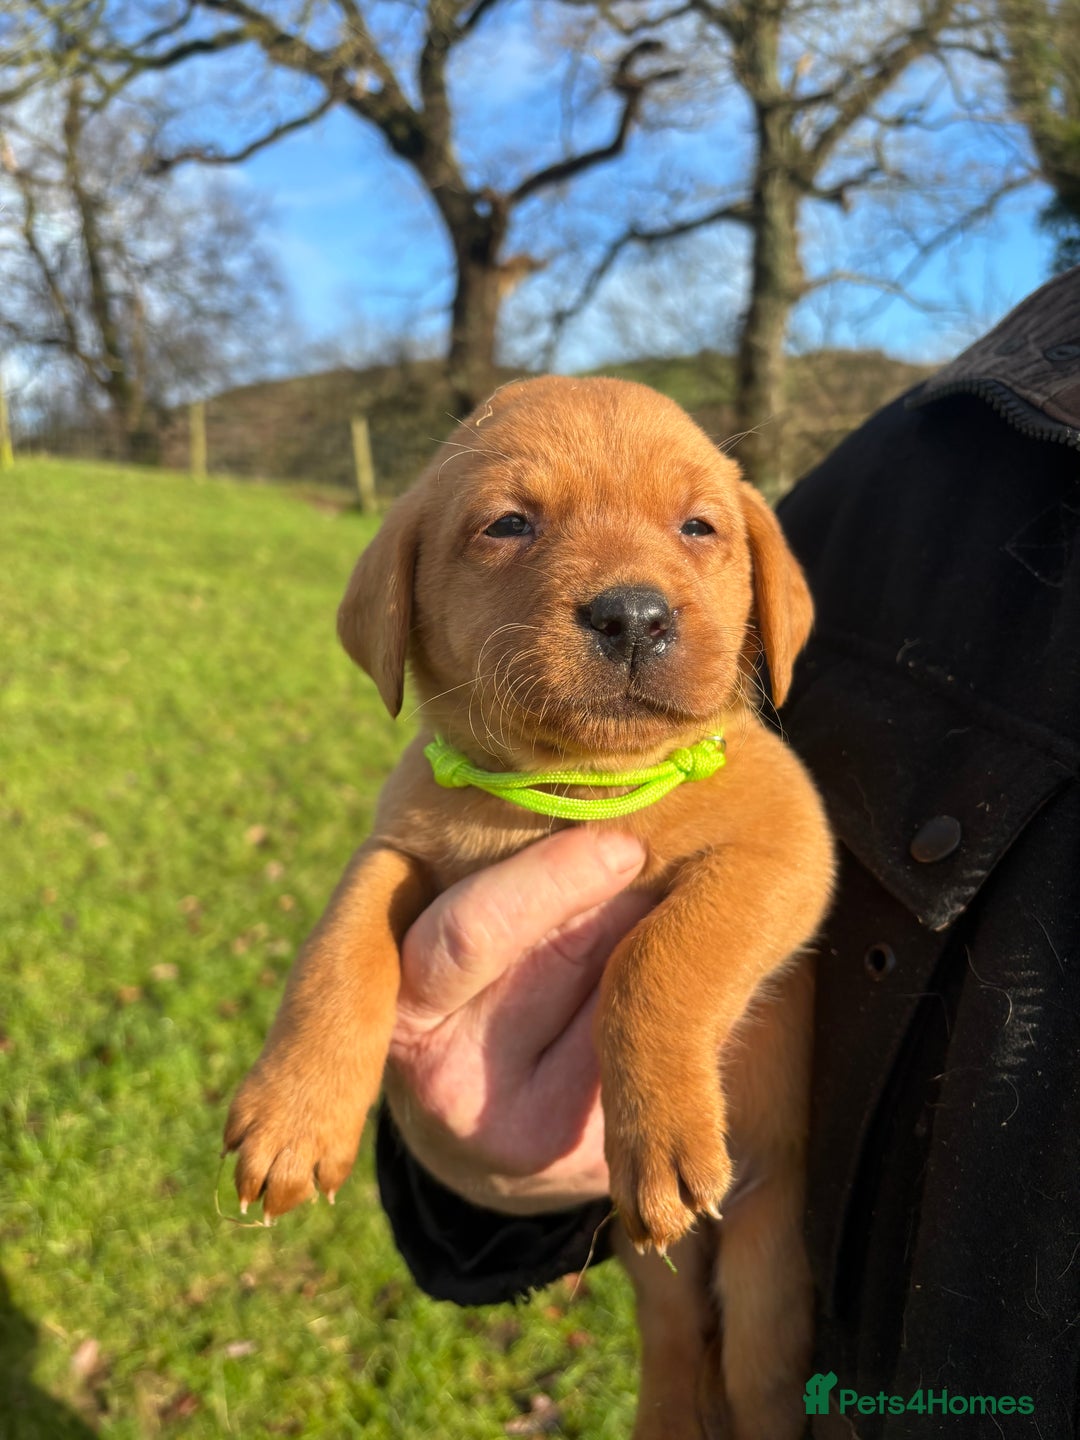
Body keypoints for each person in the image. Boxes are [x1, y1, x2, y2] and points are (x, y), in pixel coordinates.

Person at [376, 269, 1080, 1437]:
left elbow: (773, 847)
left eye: (693, 529)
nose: (640, 600)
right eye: (511, 524)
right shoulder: (920, 466)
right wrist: (469, 1171)